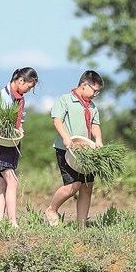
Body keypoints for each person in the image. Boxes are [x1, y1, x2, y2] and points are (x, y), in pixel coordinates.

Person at [45, 70, 104, 229]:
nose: (95, 95)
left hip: (86, 151)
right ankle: (52, 209)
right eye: (95, 91)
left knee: (87, 186)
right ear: (84, 85)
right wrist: (65, 136)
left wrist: (98, 139)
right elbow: (57, 120)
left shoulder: (92, 106)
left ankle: (82, 226)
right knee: (74, 185)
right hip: (67, 149)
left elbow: (95, 125)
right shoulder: (65, 100)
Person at [0, 67, 39, 228]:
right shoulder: (0, 96)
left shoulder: (20, 99)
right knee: (13, 182)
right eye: (29, 87)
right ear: (21, 81)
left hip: (11, 144)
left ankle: (0, 223)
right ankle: (12, 222)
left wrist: (20, 127)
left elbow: (20, 120)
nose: (28, 90)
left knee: (3, 184)